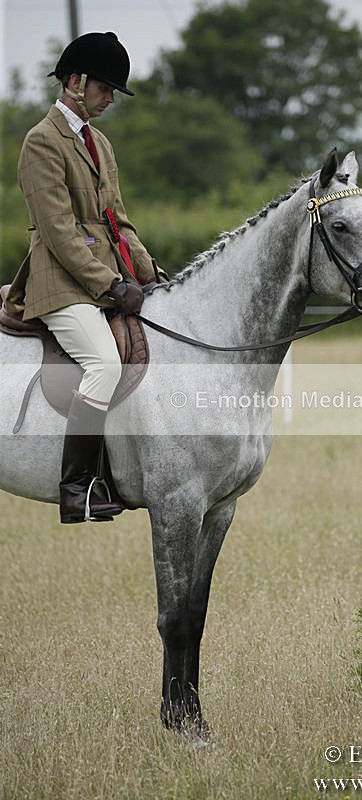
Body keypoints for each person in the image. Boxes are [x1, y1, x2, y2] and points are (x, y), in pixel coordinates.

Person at [5, 31, 167, 524]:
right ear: (75, 82)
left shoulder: (100, 143)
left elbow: (118, 222)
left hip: (101, 276)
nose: (111, 98)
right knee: (103, 363)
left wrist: (149, 273)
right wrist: (110, 285)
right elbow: (58, 231)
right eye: (105, 88)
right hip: (59, 281)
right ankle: (77, 486)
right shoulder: (41, 141)